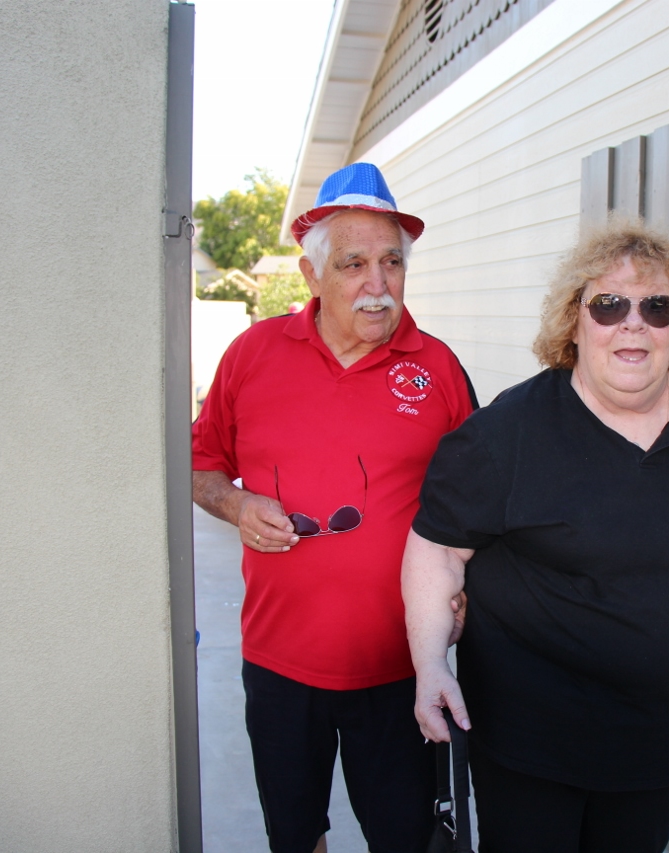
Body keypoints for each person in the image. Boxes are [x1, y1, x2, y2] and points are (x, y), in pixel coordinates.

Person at [401, 218, 669, 853]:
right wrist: (428, 663)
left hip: (652, 737)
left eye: (655, 306)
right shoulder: (509, 431)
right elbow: (438, 547)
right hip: (528, 742)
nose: (632, 322)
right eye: (608, 305)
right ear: (574, 323)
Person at [192, 162, 477, 853]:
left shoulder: (436, 368)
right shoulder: (252, 355)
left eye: (391, 263)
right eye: (354, 264)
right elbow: (200, 466)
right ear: (311, 273)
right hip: (280, 664)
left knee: (404, 837)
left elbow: (479, 502)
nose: (378, 286)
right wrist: (236, 505)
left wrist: (471, 588)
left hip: (400, 666)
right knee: (294, 834)